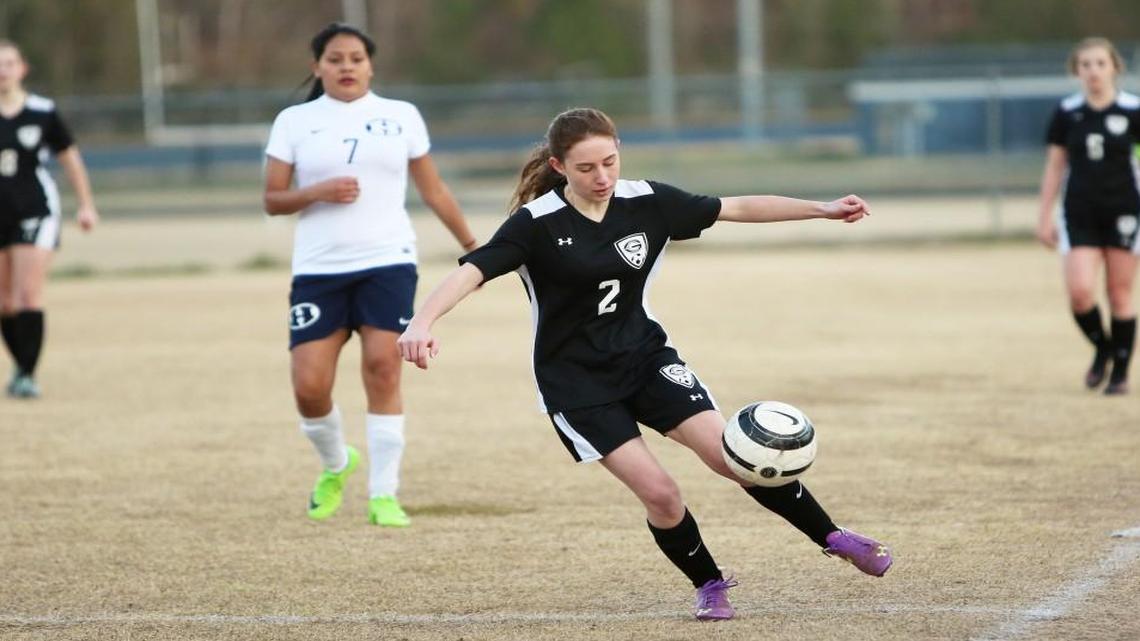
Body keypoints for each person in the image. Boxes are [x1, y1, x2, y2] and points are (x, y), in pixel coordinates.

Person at [397, 108, 892, 621]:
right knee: (661, 495)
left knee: (733, 458)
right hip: (577, 383)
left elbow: (738, 206)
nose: (602, 176)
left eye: (609, 162)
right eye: (586, 167)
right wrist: (421, 323)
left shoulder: (647, 201)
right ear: (559, 166)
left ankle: (834, 537)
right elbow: (472, 272)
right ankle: (710, 585)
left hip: (645, 358)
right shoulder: (535, 224)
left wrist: (822, 209)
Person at [263, 23, 477, 527]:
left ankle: (384, 495)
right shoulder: (294, 121)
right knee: (309, 387)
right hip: (319, 270)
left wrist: (473, 248)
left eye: (356, 58)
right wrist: (317, 192)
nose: (347, 67)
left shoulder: (401, 116)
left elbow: (433, 190)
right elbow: (272, 199)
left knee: (384, 367)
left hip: (388, 263)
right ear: (317, 67)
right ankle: (337, 462)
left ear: (370, 66)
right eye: (335, 59)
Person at [1037, 36, 1139, 396]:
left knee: (1119, 293)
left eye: (1100, 63)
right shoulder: (1067, 113)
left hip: (1125, 210)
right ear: (1076, 71)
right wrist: (1044, 216)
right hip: (1079, 211)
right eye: (1085, 65)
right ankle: (1103, 349)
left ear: (1114, 67)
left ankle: (1120, 374)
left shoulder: (1133, 110)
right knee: (1081, 292)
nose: (1093, 71)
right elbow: (1055, 167)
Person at [0, 40, 98, 399]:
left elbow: (70, 159)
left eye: (8, 63)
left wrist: (86, 205)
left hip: (35, 210)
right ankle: (21, 366)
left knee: (27, 294)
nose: (2, 71)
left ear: (22, 68)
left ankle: (27, 374)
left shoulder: (42, 112)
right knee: (6, 302)